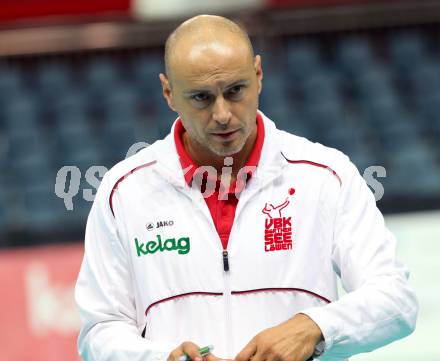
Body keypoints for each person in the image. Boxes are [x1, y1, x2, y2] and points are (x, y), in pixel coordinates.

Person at [75, 15, 418, 361]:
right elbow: (99, 331)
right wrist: (160, 359)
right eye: (201, 98)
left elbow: (395, 299)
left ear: (258, 75)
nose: (222, 114)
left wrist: (314, 328)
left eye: (235, 91)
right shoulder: (124, 191)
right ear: (169, 93)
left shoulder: (326, 175)